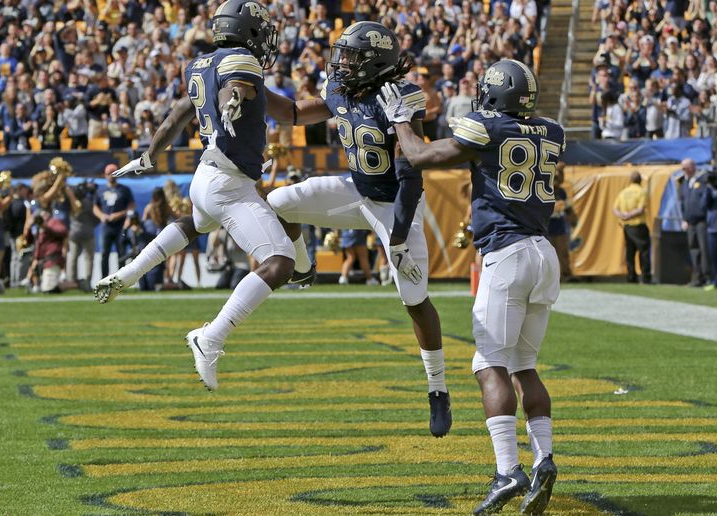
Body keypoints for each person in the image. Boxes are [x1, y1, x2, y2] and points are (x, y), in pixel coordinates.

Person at [378, 59, 562, 515]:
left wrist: (402, 121)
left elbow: (420, 156)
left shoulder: (487, 127)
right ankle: (544, 458)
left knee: (488, 365)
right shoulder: (552, 131)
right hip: (544, 253)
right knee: (525, 366)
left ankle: (507, 470)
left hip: (507, 252)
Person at [94, 0, 296, 393]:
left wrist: (149, 156)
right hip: (228, 183)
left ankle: (129, 273)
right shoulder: (242, 60)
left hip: (206, 175)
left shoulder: (201, 65)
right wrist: (232, 101)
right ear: (248, 30)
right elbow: (235, 88)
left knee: (194, 224)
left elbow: (174, 118)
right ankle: (211, 337)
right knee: (280, 262)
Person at [265, 21, 453, 438]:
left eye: (350, 56)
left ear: (374, 61)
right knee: (278, 202)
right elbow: (297, 113)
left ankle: (437, 389)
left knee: (414, 297)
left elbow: (412, 176)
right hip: (356, 190)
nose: (342, 63)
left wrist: (399, 237)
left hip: (394, 204)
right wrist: (251, 88)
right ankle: (302, 266)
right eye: (342, 54)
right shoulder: (341, 89)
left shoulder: (397, 97)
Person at [94, 164, 135, 279]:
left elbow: (131, 206)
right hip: (106, 226)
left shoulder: (124, 190)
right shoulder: (100, 190)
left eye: (113, 173)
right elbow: (95, 207)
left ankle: (121, 280)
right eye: (109, 173)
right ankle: (104, 280)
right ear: (105, 175)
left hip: (120, 226)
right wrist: (101, 215)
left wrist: (119, 215)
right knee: (104, 254)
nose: (111, 176)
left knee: (121, 254)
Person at [613, 171, 651, 284]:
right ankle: (645, 277)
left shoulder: (623, 192)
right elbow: (640, 210)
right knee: (643, 252)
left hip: (627, 227)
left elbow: (614, 209)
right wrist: (630, 215)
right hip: (638, 226)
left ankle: (631, 277)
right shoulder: (641, 192)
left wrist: (623, 216)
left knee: (630, 252)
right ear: (640, 180)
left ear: (631, 180)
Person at [678, 158, 710, 286]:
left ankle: (707, 276)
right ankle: (697, 277)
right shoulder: (684, 183)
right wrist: (684, 218)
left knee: (704, 249)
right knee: (693, 249)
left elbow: (705, 200)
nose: (684, 170)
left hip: (701, 220)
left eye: (685, 167)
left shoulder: (702, 180)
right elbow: (682, 202)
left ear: (692, 167)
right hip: (690, 222)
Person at [66, 180, 99, 291]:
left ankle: (72, 282)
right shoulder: (88, 202)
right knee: (89, 258)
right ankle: (88, 282)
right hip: (88, 232)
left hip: (74, 232)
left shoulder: (71, 202)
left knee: (72, 258)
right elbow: (95, 217)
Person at [547, 162, 576, 281]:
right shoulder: (545, 190)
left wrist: (573, 218)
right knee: (547, 255)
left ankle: (565, 274)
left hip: (559, 228)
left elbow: (568, 207)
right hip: (546, 229)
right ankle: (548, 277)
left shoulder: (561, 192)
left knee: (563, 253)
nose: (557, 179)